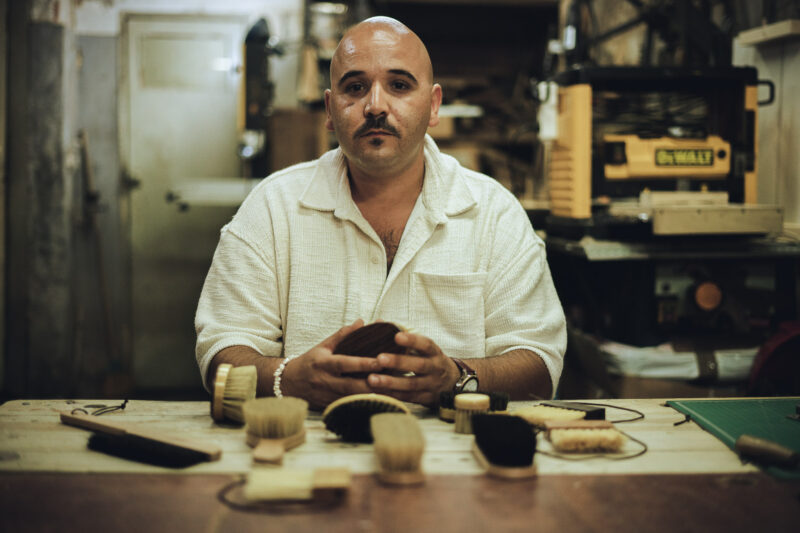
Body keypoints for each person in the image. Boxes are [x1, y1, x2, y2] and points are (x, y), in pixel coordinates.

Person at [195, 16, 566, 409]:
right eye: (355, 87)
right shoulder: (273, 208)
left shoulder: (494, 215)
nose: (375, 105)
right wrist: (289, 379)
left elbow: (540, 364)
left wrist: (458, 379)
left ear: (434, 104)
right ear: (329, 108)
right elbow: (220, 352)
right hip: (305, 455)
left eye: (399, 85)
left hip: (454, 459)